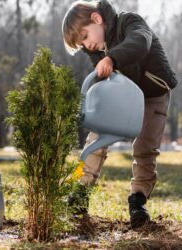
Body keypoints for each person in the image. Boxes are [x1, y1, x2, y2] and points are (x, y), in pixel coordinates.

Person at [62, 0, 178, 228]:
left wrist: (112, 58)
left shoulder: (129, 22)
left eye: (85, 36)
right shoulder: (95, 48)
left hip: (153, 93)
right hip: (124, 95)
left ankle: (138, 202)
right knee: (96, 138)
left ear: (96, 19)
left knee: (145, 148)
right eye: (81, 43)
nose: (86, 45)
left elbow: (140, 42)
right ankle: (81, 192)